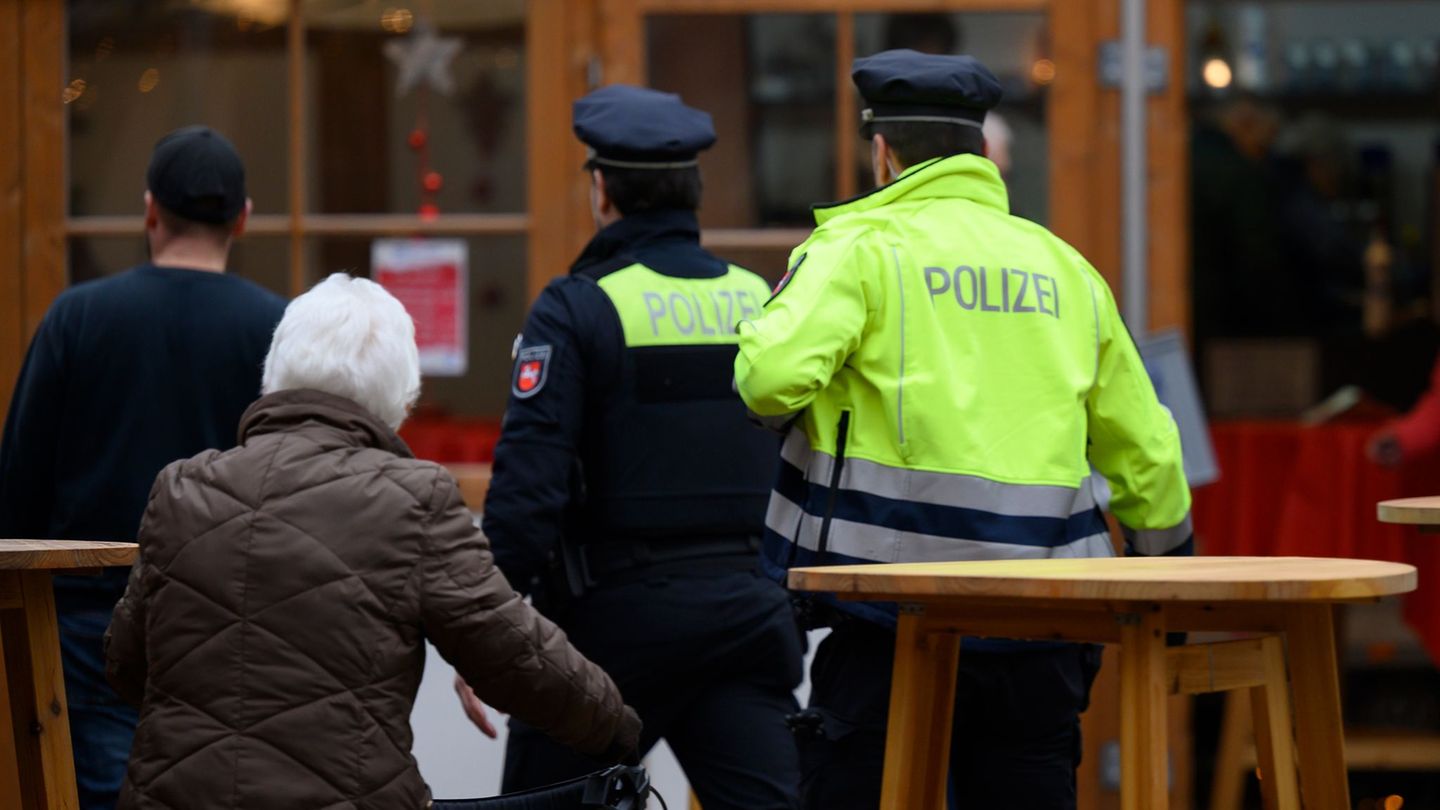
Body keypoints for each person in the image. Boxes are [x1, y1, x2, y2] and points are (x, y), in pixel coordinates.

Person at [734, 50, 1193, 809]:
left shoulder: (857, 249)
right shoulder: (1066, 268)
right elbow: (1148, 452)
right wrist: (1167, 581)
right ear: (981, 151)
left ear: (883, 152)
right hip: (1041, 630)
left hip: (889, 620)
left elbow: (767, 381)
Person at [104, 273, 641, 808]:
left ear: (273, 375)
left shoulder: (181, 489)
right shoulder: (412, 500)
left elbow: (127, 665)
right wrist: (616, 727)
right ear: (401, 401)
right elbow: (513, 654)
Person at [465, 85, 803, 810]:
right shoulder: (760, 300)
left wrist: (483, 626)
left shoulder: (578, 306)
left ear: (602, 192)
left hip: (612, 634)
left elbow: (529, 489)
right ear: (694, 193)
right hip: (747, 616)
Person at [0, 126, 287, 810]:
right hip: (233, 624)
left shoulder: (77, 317)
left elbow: (18, 488)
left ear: (151, 210)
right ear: (243, 219)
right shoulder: (278, 329)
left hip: (88, 629)